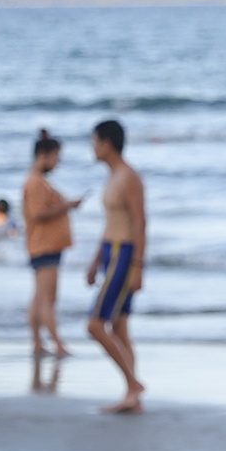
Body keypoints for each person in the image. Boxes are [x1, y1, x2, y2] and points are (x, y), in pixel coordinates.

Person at [85, 119, 146, 413]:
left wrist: (137, 266)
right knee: (119, 327)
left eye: (95, 142)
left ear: (107, 143)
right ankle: (132, 396)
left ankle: (133, 384)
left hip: (124, 253)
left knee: (95, 325)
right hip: (111, 251)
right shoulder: (112, 177)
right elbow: (110, 223)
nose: (92, 147)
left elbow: (140, 222)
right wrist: (96, 260)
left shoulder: (129, 177)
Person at [23, 129, 83, 357]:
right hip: (44, 245)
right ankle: (57, 344)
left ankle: (39, 343)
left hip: (44, 245)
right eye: (56, 157)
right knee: (48, 298)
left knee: (40, 296)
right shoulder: (36, 183)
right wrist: (67, 206)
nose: (58, 162)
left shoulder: (38, 182)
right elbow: (38, 213)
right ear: (44, 155)